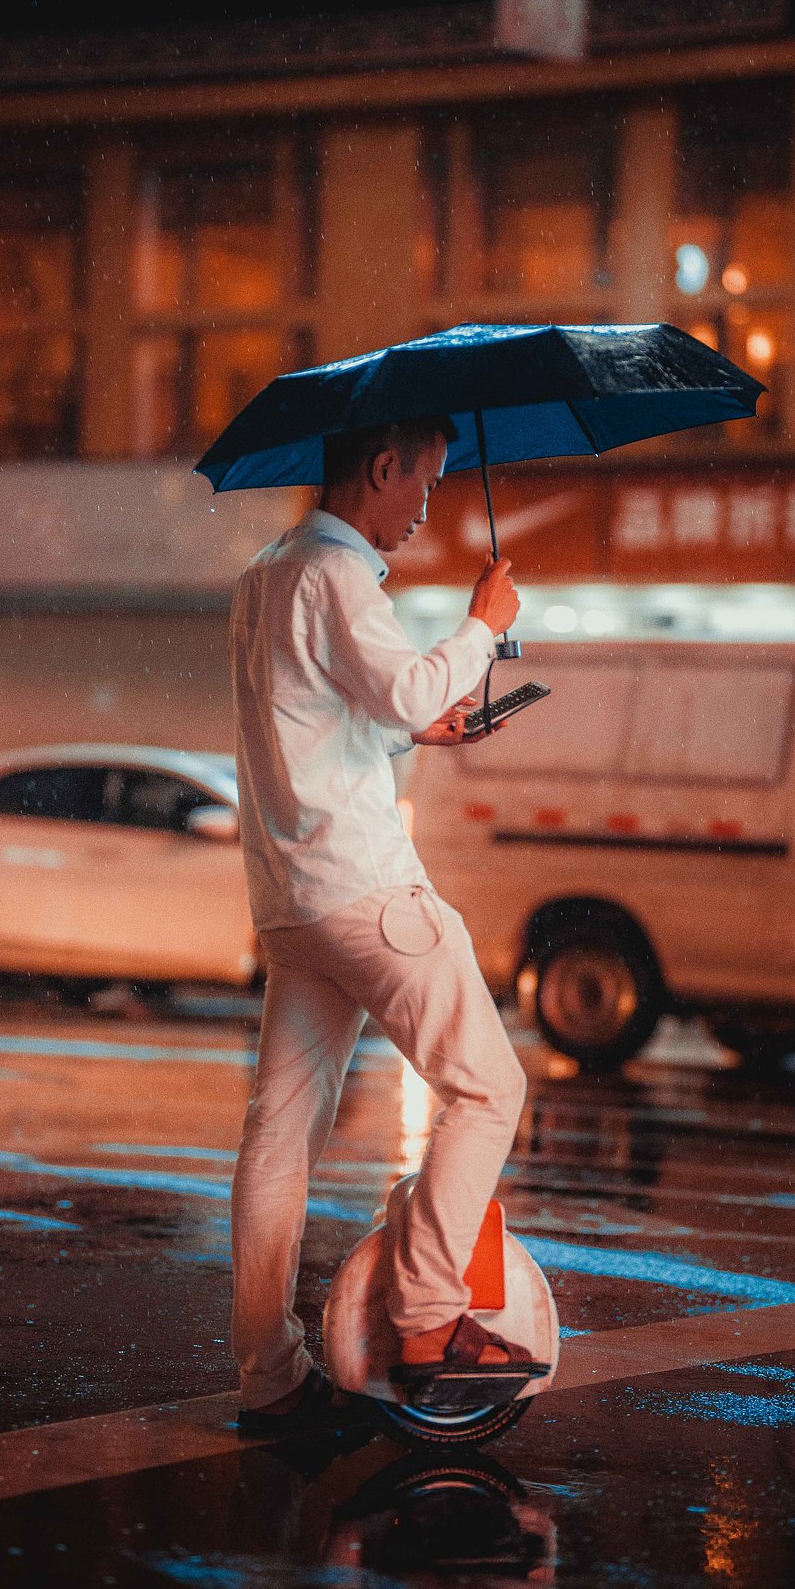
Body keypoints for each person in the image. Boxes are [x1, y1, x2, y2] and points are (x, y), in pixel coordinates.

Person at [228, 415, 533, 1429]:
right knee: (489, 1087)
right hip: (366, 893)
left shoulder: (265, 577)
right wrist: (482, 621)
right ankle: (429, 1316)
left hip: (290, 904)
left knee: (280, 1134)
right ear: (382, 463)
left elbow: (330, 723)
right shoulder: (335, 572)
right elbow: (403, 683)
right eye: (426, 485)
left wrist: (410, 728)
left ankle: (269, 1375)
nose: (424, 509)